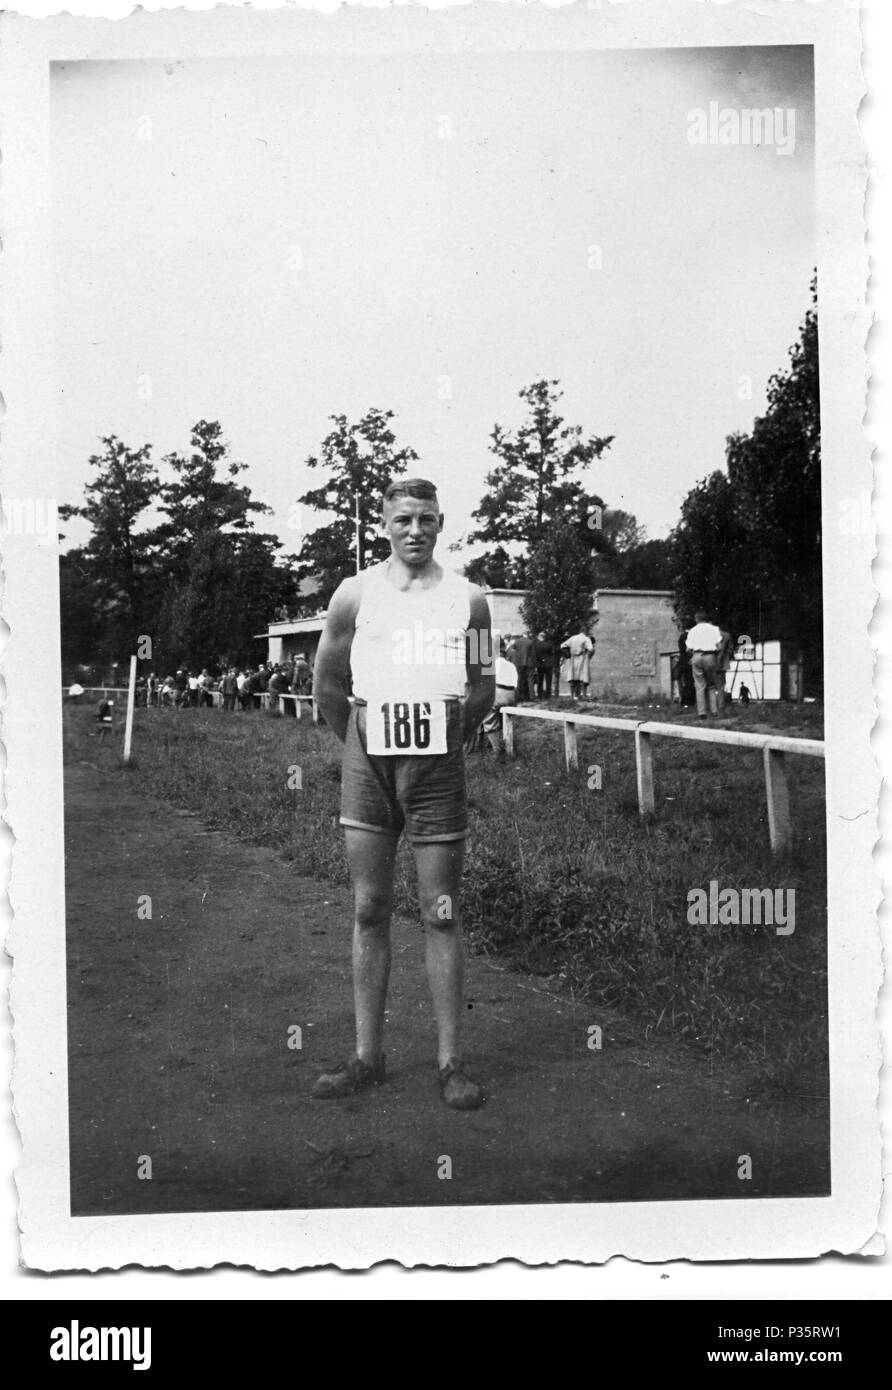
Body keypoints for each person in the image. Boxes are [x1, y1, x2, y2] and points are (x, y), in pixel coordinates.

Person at [311, 477, 494, 1110]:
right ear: (384, 525)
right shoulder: (353, 593)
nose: (413, 531)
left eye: (424, 520)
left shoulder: (469, 599)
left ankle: (451, 1063)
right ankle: (367, 1057)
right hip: (369, 761)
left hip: (437, 766)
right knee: (369, 906)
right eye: (401, 520)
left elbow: (482, 684)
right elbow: (328, 683)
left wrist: (446, 740)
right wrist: (359, 743)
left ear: (441, 522)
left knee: (440, 909)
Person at [685, 609, 725, 717]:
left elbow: (688, 649)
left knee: (699, 685)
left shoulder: (692, 631)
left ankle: (702, 712)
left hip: (697, 656)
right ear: (706, 618)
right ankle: (714, 711)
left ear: (696, 619)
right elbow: (720, 647)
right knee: (712, 685)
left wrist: (693, 656)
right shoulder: (714, 629)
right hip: (710, 656)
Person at [563, 630, 594, 700]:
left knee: (572, 677)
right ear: (586, 632)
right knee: (583, 677)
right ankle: (583, 695)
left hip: (573, 658)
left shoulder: (572, 638)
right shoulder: (586, 638)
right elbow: (591, 649)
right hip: (582, 658)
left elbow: (563, 645)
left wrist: (567, 654)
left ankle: (572, 696)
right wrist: (587, 653)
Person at [510, 630, 534, 702]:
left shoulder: (517, 641)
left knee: (519, 680)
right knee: (530, 680)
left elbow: (513, 649)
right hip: (528, 663)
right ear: (528, 634)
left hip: (519, 663)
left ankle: (518, 696)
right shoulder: (531, 642)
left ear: (523, 634)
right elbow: (533, 654)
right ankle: (531, 696)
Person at [534, 631, 554, 700]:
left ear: (539, 637)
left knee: (540, 680)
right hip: (548, 664)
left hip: (540, 665)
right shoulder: (549, 645)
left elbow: (535, 655)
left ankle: (540, 694)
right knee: (548, 680)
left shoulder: (536, 645)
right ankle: (548, 695)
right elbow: (551, 654)